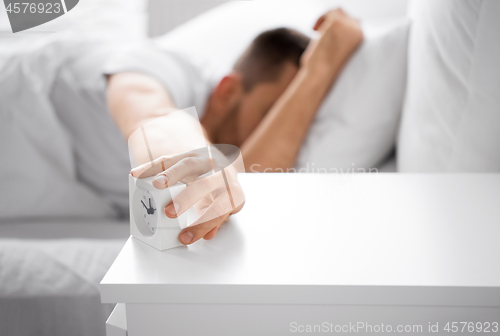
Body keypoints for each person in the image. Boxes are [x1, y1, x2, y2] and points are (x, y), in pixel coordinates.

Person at [52, 8, 363, 245]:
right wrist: (200, 158)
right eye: (271, 112)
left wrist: (319, 71)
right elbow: (153, 115)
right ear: (227, 91)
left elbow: (249, 184)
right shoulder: (160, 66)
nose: (281, 130)